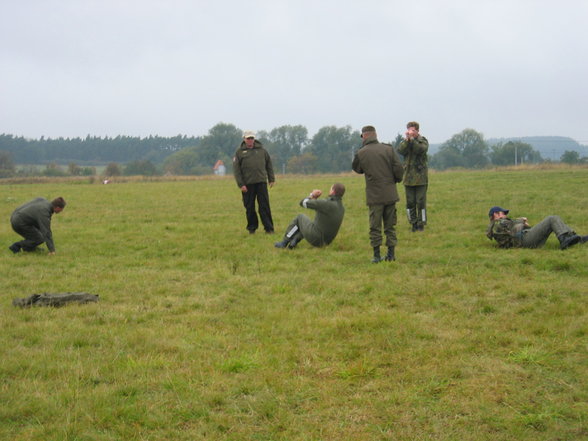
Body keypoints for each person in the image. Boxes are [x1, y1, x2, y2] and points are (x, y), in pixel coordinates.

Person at [352, 125, 404, 263]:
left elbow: (357, 169)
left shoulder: (361, 153)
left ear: (364, 136)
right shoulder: (388, 149)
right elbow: (399, 168)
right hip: (390, 194)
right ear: (375, 135)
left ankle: (376, 256)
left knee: (375, 227)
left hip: (374, 196)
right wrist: (395, 180)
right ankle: (391, 255)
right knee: (390, 226)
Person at [274, 183, 345, 249]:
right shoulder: (341, 207)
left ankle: (284, 242)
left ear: (333, 192)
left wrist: (312, 195)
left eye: (331, 188)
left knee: (300, 218)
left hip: (317, 239)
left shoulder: (327, 203)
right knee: (308, 224)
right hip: (327, 242)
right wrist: (315, 199)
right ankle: (294, 240)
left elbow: (303, 203)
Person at [233, 130, 276, 234]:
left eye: (252, 138)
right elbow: (236, 170)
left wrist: (271, 179)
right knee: (249, 207)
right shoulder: (239, 153)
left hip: (261, 182)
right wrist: (241, 184)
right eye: (248, 138)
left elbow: (268, 165)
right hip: (247, 185)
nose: (250, 140)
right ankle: (252, 228)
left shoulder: (262, 151)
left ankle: (269, 228)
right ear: (244, 139)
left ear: (254, 139)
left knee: (264, 206)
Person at [486, 206, 588, 250]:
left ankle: (574, 238)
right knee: (552, 218)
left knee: (553, 221)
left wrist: (522, 223)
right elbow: (512, 233)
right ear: (496, 214)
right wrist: (521, 221)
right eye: (503, 213)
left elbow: (510, 231)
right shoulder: (497, 224)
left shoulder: (498, 225)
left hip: (523, 238)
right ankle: (564, 240)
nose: (505, 215)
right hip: (524, 240)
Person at [397, 121, 429, 232]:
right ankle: (413, 223)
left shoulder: (422, 141)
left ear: (417, 131)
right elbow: (400, 150)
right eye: (409, 130)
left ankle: (421, 224)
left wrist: (413, 141)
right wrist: (407, 140)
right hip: (408, 177)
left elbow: (420, 150)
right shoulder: (405, 142)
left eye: (413, 130)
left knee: (420, 202)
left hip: (420, 177)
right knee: (410, 202)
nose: (411, 132)